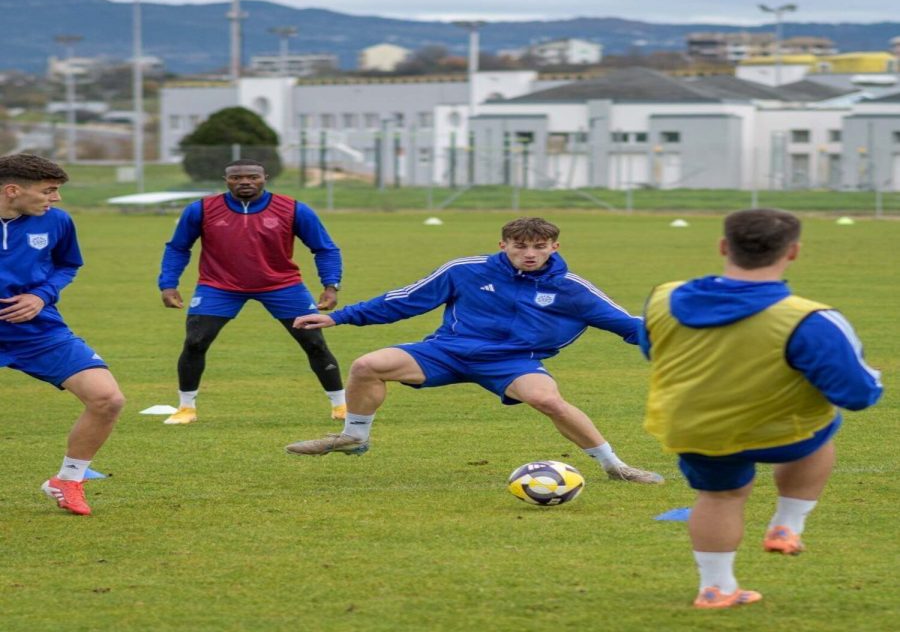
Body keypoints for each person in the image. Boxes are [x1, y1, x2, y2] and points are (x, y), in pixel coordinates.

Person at [285, 217, 663, 485]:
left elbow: (626, 324)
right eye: (520, 246)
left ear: (554, 247)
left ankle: (615, 466)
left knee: (548, 401)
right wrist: (339, 318)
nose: (530, 254)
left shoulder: (571, 288)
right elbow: (405, 300)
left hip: (513, 361)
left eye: (539, 247)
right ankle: (354, 436)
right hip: (447, 350)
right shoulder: (465, 270)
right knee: (368, 365)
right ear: (503, 245)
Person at [640, 208, 883, 609]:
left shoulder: (662, 297)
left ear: (723, 246)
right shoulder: (810, 319)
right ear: (793, 252)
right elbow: (857, 394)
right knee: (822, 428)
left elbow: (654, 350)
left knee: (719, 497)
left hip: (695, 429)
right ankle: (787, 525)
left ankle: (715, 589)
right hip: (780, 434)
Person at [158, 159, 347, 425]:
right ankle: (186, 408)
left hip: (282, 286)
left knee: (314, 343)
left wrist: (331, 285)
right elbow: (178, 247)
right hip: (219, 286)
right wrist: (168, 284)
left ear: (264, 178)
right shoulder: (201, 209)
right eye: (237, 178)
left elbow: (325, 248)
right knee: (195, 342)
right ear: (226, 180)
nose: (245, 182)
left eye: (252, 177)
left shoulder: (293, 209)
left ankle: (341, 406)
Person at [0, 154, 125, 516]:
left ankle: (68, 479)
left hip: (36, 328)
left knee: (107, 399)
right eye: (48, 191)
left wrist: (41, 295)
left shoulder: (57, 221)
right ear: (12, 190)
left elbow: (68, 264)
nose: (55, 198)